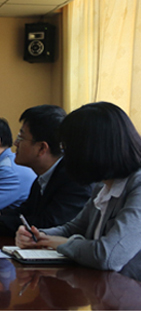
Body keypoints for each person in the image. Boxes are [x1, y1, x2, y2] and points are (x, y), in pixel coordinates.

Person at [16, 102, 141, 281]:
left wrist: (65, 244)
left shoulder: (137, 185)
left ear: (92, 148)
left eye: (67, 147)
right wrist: (38, 236)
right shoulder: (103, 185)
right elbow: (74, 228)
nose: (65, 155)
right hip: (102, 287)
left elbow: (108, 256)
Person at [0, 105, 91, 236]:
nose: (15, 143)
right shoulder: (42, 176)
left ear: (41, 148)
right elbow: (25, 212)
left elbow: (47, 224)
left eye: (21, 138)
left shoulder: (74, 179)